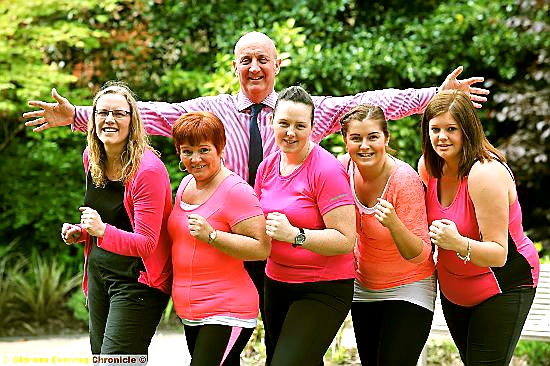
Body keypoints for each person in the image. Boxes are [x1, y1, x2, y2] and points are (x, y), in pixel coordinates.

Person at [24, 31, 488, 359]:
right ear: (234, 67)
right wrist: (81, 115)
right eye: (245, 59)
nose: (254, 67)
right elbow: (146, 114)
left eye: (263, 58)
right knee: (224, 343)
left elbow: (369, 105)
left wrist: (433, 96)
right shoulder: (213, 111)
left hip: (286, 252)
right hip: (230, 248)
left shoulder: (304, 113)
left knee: (291, 352)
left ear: (278, 64)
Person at [418, 90, 540, 365]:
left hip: (503, 285)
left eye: (452, 129)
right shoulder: (428, 167)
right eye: (435, 129)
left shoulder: (485, 173)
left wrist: (457, 243)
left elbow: (499, 254)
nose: (442, 137)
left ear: (468, 130)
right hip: (455, 292)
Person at [60, 81, 172, 359]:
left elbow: (147, 243)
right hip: (100, 275)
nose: (109, 119)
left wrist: (101, 230)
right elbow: (113, 219)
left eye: (119, 113)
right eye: (102, 112)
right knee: (102, 358)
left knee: (117, 360)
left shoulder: (148, 171)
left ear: (132, 121)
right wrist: (83, 232)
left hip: (137, 281)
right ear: (93, 118)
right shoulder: (92, 158)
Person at [253, 85, 356, 366]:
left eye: (300, 125)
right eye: (284, 123)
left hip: (323, 288)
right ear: (271, 122)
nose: (290, 133)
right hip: (276, 283)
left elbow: (346, 239)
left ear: (312, 127)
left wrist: (296, 235)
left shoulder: (326, 170)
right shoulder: (267, 166)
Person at [167, 111, 270, 366]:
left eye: (204, 149)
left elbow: (261, 248)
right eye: (187, 151)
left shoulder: (236, 191)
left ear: (220, 147)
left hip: (227, 309)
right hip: (192, 312)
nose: (195, 159)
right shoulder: (185, 185)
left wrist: (212, 235)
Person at [338, 104, 436, 365]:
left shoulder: (404, 180)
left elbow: (421, 254)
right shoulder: (342, 169)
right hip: (364, 287)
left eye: (373, 137)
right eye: (356, 138)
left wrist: (394, 224)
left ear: (386, 138)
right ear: (345, 140)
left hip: (409, 287)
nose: (365, 146)